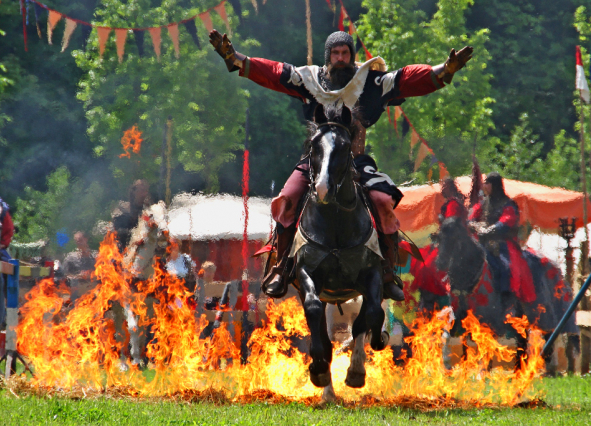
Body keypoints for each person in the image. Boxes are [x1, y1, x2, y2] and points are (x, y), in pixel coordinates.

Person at [209, 29, 473, 300]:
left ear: (352, 55)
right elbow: (275, 72)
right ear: (328, 56)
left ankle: (386, 271)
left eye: (345, 53)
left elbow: (404, 78)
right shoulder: (310, 80)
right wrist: (235, 57)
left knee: (382, 200)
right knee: (287, 198)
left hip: (356, 163)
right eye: (335, 53)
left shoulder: (370, 82)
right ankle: (281, 266)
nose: (340, 59)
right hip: (315, 162)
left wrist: (444, 69)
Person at [469, 172, 536, 303]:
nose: (484, 186)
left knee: (506, 268)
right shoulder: (482, 204)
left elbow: (506, 222)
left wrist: (488, 230)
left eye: (487, 183)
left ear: (495, 185)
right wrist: (475, 226)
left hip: (503, 244)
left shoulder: (508, 204)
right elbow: (470, 219)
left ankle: (507, 299)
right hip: (481, 243)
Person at [111, 179, 151, 251]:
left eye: (146, 190)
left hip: (143, 251)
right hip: (124, 250)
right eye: (142, 190)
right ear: (134, 192)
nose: (144, 193)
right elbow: (117, 231)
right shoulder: (122, 208)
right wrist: (135, 233)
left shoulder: (149, 211)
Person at [62, 231, 98, 301]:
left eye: (80, 240)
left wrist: (92, 275)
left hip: (94, 293)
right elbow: (64, 275)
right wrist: (77, 276)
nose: (78, 242)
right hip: (77, 294)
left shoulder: (96, 255)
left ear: (86, 239)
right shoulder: (70, 257)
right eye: (77, 240)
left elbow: (104, 273)